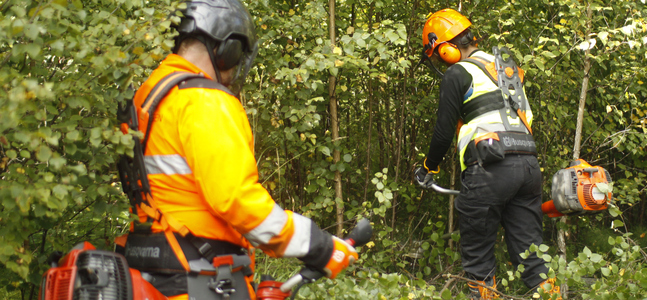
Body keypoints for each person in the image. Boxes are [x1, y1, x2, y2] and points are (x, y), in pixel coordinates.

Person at [115, 1, 357, 299]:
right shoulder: (204, 100)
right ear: (226, 48)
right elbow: (237, 200)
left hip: (148, 271)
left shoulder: (150, 96)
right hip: (195, 275)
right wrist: (318, 245)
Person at [413, 8, 555, 300]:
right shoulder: (507, 68)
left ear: (448, 49)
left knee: (478, 260)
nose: (441, 60)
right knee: (532, 258)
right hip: (528, 167)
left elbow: (442, 133)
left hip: (489, 169)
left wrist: (429, 168)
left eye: (439, 53)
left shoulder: (458, 72)